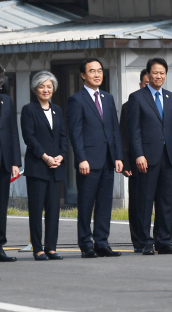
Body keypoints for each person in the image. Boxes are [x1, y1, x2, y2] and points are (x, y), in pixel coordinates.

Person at [67, 58, 123, 258]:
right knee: (86, 204)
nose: (97, 74)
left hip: (108, 159)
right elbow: (76, 132)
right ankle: (86, 244)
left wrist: (118, 156)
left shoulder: (108, 98)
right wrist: (81, 158)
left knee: (105, 204)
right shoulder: (76, 99)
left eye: (100, 70)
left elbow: (114, 129)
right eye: (92, 71)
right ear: (83, 75)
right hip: (88, 161)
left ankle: (102, 242)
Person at [127, 58, 172, 255]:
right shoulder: (137, 97)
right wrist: (138, 155)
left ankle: (164, 241)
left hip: (168, 157)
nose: (158, 76)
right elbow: (133, 131)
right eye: (155, 73)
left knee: (165, 201)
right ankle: (145, 242)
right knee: (144, 201)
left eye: (162, 73)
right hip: (147, 158)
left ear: (165, 75)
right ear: (148, 75)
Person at [21, 71, 67, 261]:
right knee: (36, 209)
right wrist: (46, 157)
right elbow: (29, 137)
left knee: (54, 209)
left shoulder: (57, 109)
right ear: (35, 89)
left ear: (53, 89)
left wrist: (61, 157)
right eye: (42, 86)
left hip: (56, 167)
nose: (46, 90)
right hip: (38, 167)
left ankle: (51, 247)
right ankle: (38, 249)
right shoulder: (28, 109)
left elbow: (63, 136)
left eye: (49, 86)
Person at [120, 69, 150, 253]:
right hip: (137, 163)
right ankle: (139, 240)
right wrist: (126, 162)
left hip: (160, 162)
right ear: (140, 85)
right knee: (138, 203)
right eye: (145, 83)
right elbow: (124, 134)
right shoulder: (129, 105)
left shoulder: (166, 102)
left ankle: (162, 239)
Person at [0, 67, 20, 263]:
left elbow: (13, 131)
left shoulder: (7, 100)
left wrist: (15, 162)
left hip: (3, 162)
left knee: (0, 207)